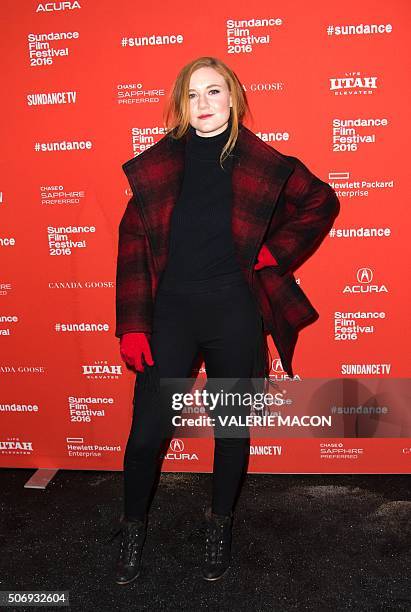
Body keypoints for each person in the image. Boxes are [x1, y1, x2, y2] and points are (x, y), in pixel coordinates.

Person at [111, 56, 340, 585]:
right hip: (170, 314)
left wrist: (271, 253)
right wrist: (135, 324)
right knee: (147, 433)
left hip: (234, 312)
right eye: (192, 95)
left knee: (231, 430)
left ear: (233, 99)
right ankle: (133, 528)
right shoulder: (159, 166)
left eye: (214, 92)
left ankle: (219, 526)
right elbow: (132, 242)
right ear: (179, 104)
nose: (204, 105)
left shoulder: (261, 163)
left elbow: (320, 202)